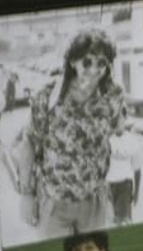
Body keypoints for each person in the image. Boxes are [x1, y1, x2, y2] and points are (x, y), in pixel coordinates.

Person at [21, 29, 129, 235]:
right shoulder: (47, 96)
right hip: (54, 204)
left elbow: (118, 128)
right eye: (87, 62)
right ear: (72, 62)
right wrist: (27, 195)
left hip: (94, 202)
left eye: (102, 63)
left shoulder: (113, 95)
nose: (94, 70)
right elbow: (29, 142)